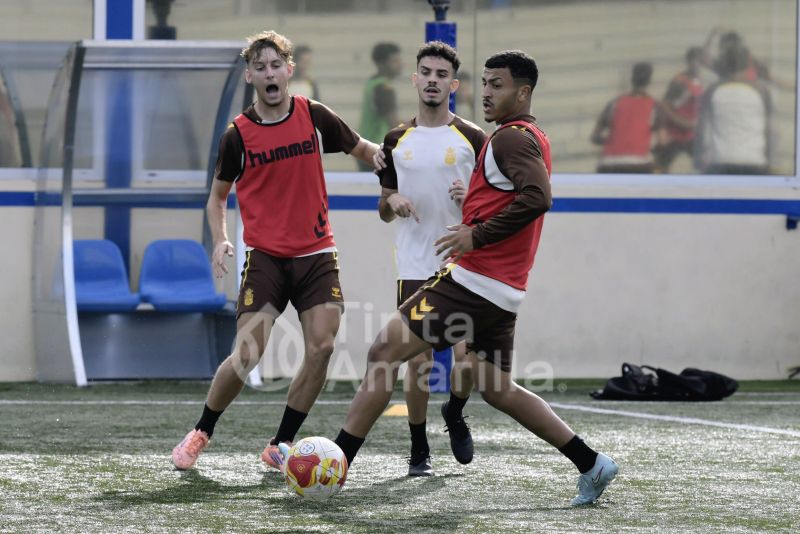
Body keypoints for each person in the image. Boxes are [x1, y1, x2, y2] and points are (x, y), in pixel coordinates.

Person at [327, 50, 618, 506]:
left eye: (497, 85)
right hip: (502, 289)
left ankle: (335, 467)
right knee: (498, 389)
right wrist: (478, 208)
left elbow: (539, 198)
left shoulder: (507, 139)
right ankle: (591, 463)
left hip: (475, 281)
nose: (487, 92)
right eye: (484, 82)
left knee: (384, 352)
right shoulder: (523, 136)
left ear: (522, 92)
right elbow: (517, 197)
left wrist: (475, 234)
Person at [171, 30, 379, 471]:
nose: (269, 73)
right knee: (246, 354)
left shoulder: (313, 114)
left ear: (290, 71)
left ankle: (280, 443)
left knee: (321, 349)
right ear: (250, 75)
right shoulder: (238, 136)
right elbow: (217, 198)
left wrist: (402, 159)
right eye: (260, 66)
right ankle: (201, 430)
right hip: (265, 258)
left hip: (317, 255)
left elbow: (364, 148)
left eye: (275, 65)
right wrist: (222, 239)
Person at [375, 41, 487, 476]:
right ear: (415, 79)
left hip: (462, 266)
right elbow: (383, 208)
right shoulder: (395, 140)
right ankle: (419, 449)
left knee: (468, 361)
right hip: (415, 266)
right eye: (427, 72)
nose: (434, 80)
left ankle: (455, 412)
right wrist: (395, 200)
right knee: (418, 364)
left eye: (442, 74)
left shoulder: (473, 138)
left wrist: (472, 199)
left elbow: (492, 206)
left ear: (453, 84)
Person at [695, 44, 772, 175]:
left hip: (720, 160)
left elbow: (702, 128)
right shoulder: (761, 90)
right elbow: (771, 129)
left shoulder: (712, 90)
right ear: (747, 65)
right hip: (754, 160)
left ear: (724, 65)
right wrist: (769, 158)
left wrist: (700, 156)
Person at [591, 62, 661, 174]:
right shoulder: (654, 106)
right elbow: (661, 141)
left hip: (609, 163)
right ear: (649, 81)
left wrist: (613, 140)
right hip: (639, 163)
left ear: (632, 79)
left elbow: (595, 137)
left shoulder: (614, 103)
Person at [654, 47, 705, 173]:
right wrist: (661, 130)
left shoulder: (698, 81)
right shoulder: (679, 81)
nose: (698, 65)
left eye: (700, 61)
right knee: (660, 168)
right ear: (688, 62)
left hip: (690, 134)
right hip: (675, 134)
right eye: (695, 61)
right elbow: (664, 105)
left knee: (706, 166)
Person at [358, 42, 403, 170]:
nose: (400, 64)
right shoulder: (384, 88)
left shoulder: (371, 83)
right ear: (381, 64)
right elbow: (393, 123)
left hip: (366, 147)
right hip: (377, 149)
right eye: (394, 61)